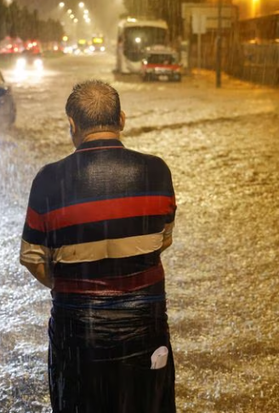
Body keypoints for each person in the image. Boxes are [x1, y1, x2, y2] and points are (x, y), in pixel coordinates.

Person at [20, 80, 177, 413]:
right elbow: (163, 240)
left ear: (72, 126)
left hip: (78, 335)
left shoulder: (48, 180)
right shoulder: (157, 171)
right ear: (122, 119)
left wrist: (73, 283)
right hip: (145, 329)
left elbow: (32, 257)